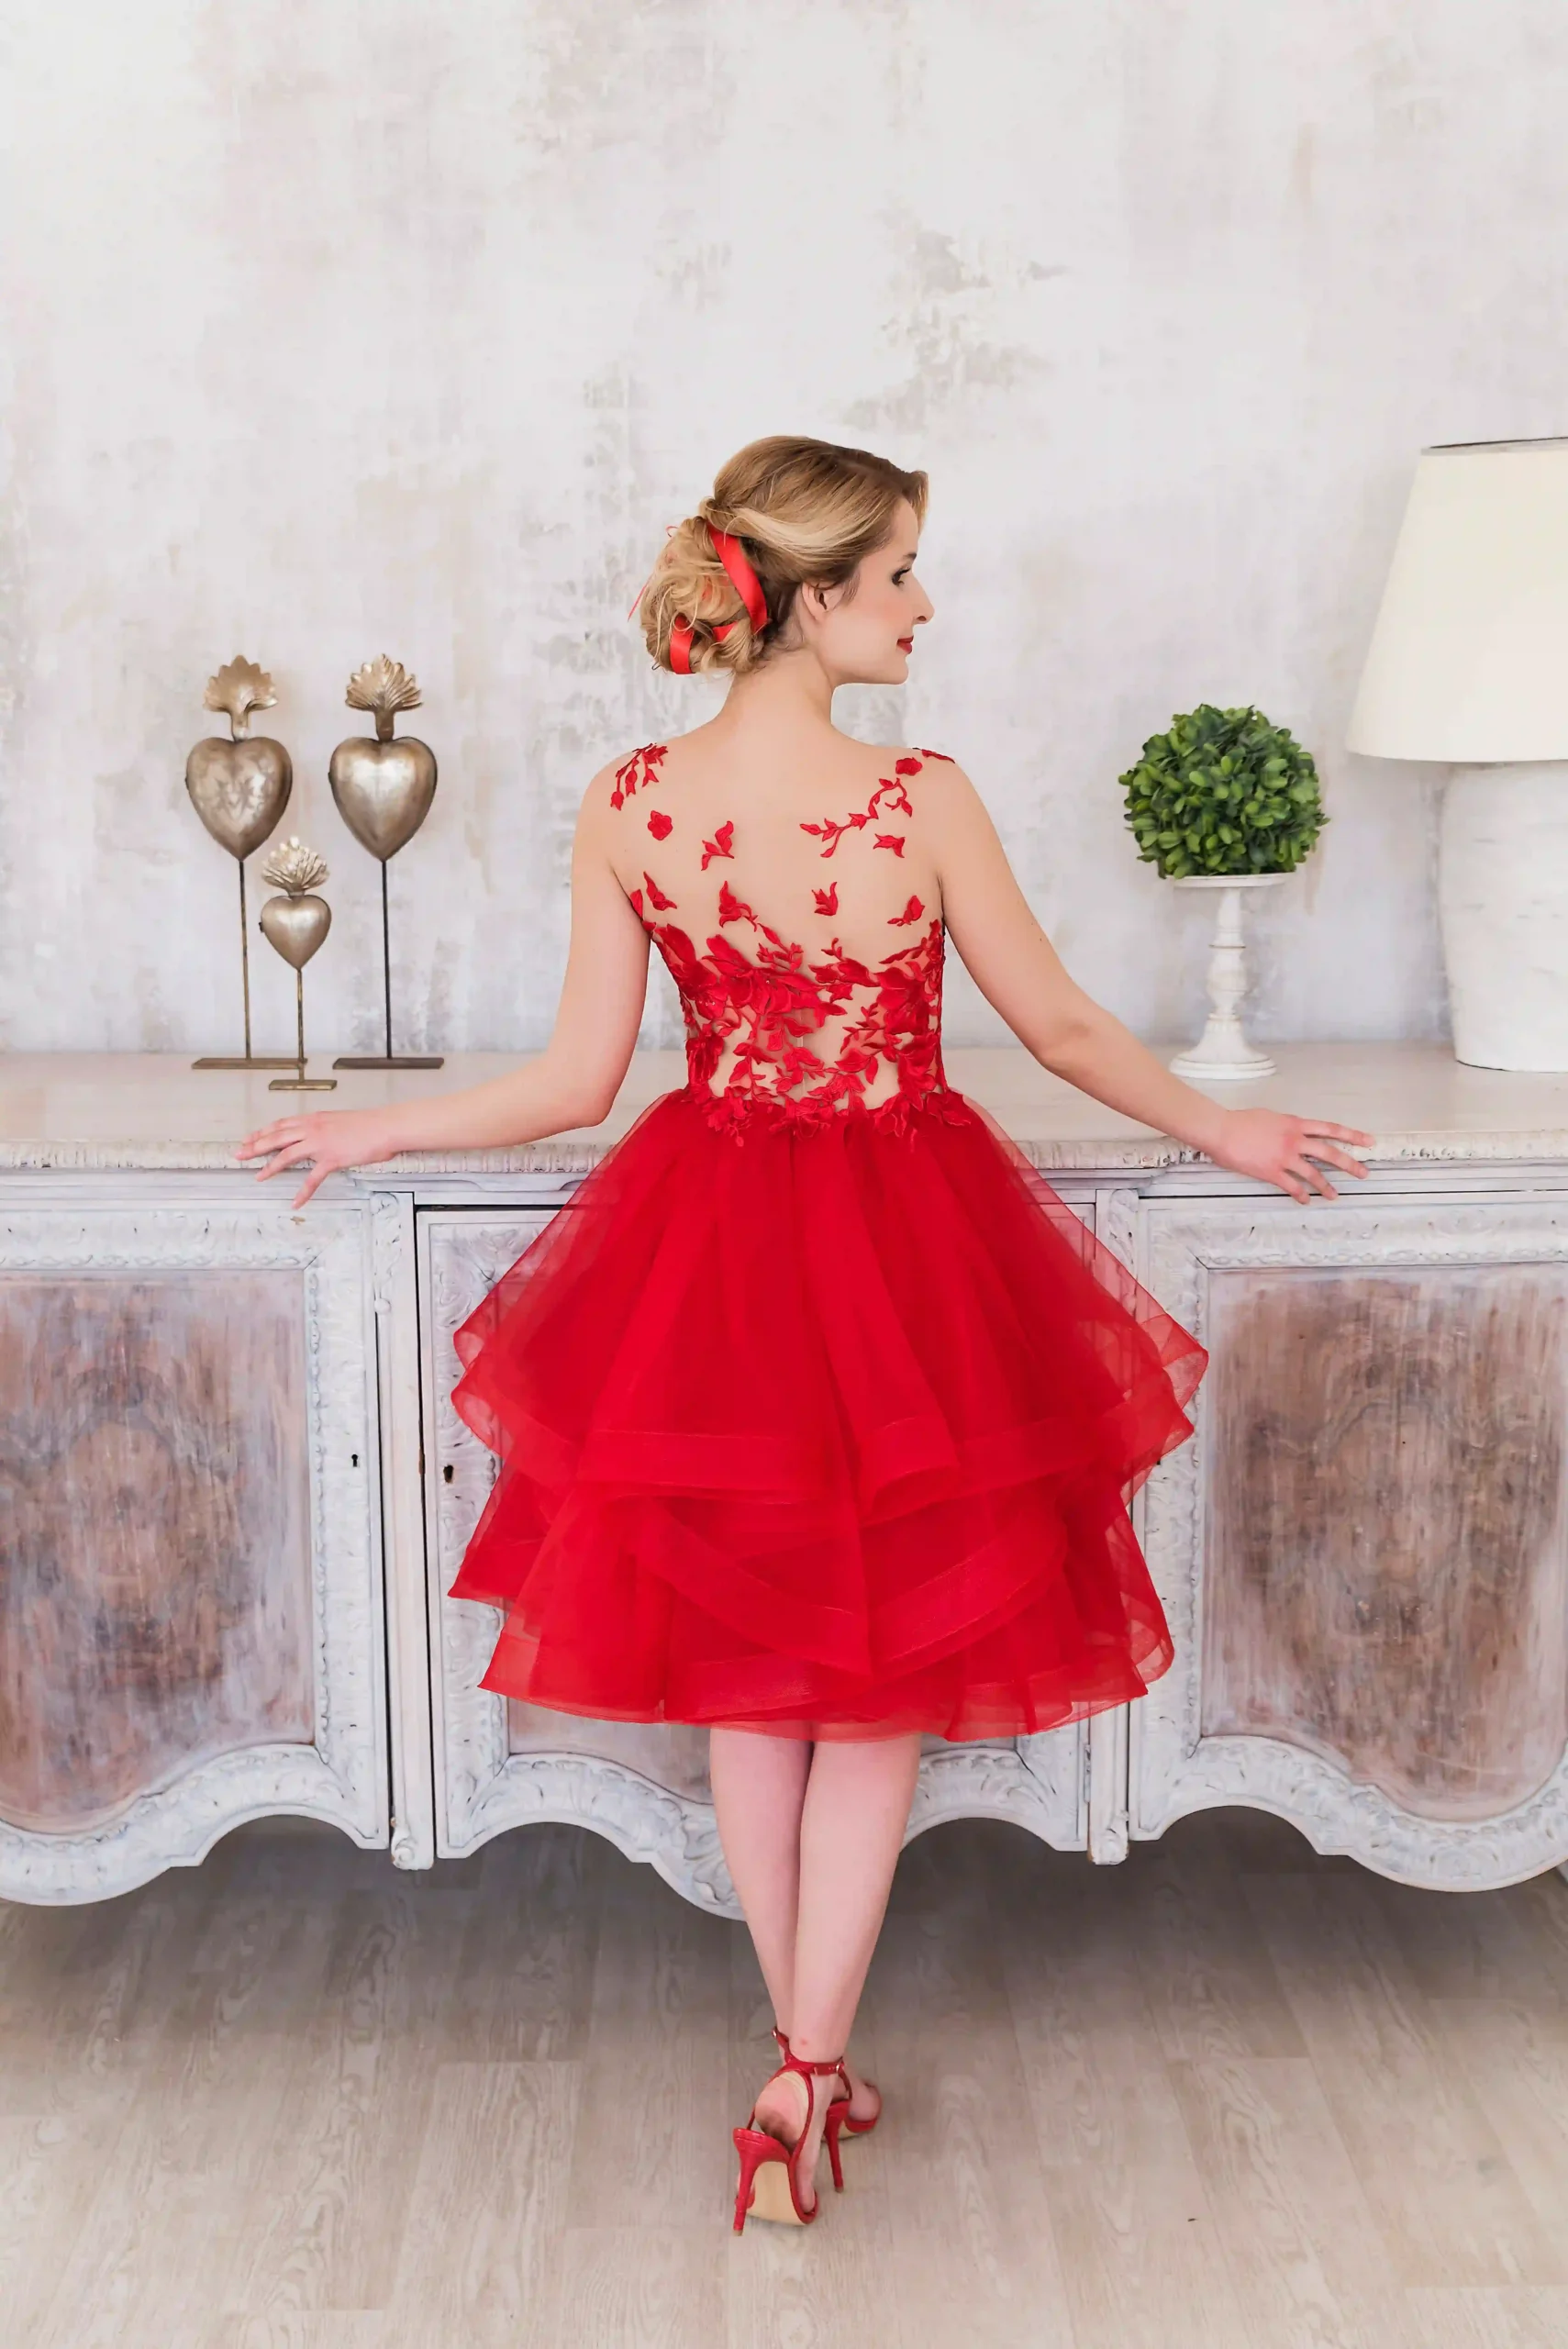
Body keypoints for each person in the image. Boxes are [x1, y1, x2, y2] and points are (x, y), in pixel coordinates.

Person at [240, 434, 1372, 2232]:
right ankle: (802, 2071)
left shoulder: (630, 798)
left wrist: (374, 1128)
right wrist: (1219, 1127)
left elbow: (575, 1081)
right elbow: (1065, 1031)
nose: (924, 603)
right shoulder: (918, 795)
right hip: (907, 1250)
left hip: (707, 1253)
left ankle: (800, 2065)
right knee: (870, 1696)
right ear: (816, 594)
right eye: (900, 571)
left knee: (751, 1691)